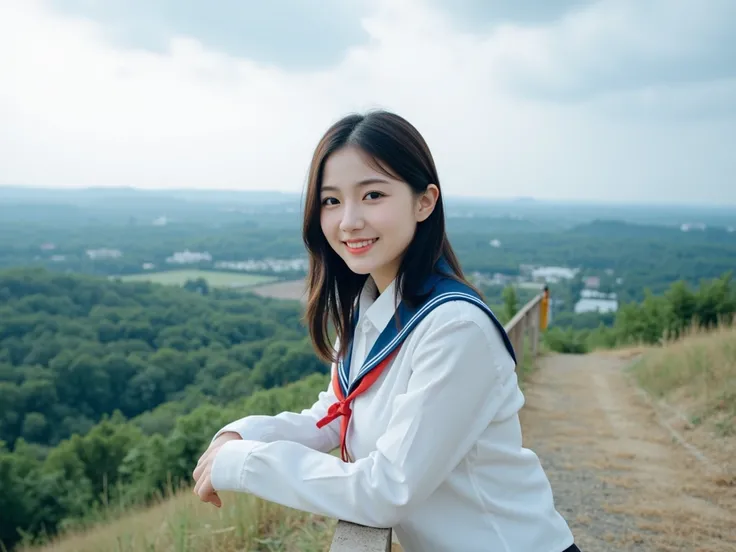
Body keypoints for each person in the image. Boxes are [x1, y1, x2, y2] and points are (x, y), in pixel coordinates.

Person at [192, 110, 580, 552]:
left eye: (372, 194)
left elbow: (388, 490)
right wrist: (243, 434)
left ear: (424, 202)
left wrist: (245, 465)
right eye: (331, 201)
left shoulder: (454, 329)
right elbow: (337, 414)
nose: (349, 221)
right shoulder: (369, 308)